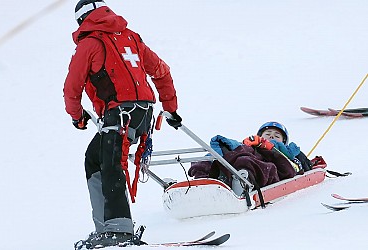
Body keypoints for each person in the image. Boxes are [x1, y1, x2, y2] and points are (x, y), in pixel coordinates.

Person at [64, 0, 182, 248]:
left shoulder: (89, 44)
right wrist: (170, 108)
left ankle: (119, 231)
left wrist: (77, 116)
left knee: (111, 164)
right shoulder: (131, 37)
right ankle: (106, 228)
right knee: (94, 157)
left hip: (119, 114)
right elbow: (161, 71)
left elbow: (71, 87)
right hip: (143, 114)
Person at [188, 121, 317, 196]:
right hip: (248, 155)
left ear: (284, 141)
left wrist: (271, 147)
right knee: (224, 155)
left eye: (277, 135)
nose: (272, 137)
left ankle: (242, 181)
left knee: (246, 161)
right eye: (268, 134)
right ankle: (205, 178)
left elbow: (292, 167)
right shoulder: (252, 143)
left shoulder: (286, 151)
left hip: (266, 163)